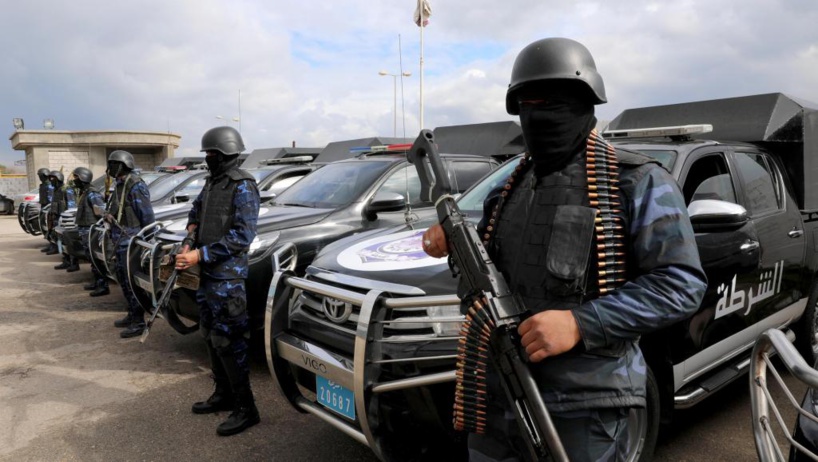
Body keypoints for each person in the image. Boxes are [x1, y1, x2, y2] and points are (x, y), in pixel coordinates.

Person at [422, 37, 708, 462]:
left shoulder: (636, 181)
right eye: (529, 101)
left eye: (557, 101)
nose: (540, 112)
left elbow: (681, 284)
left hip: (587, 407)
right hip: (496, 394)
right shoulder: (509, 186)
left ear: (587, 104)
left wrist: (580, 323)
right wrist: (449, 239)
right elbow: (484, 271)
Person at [174, 126, 261, 436]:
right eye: (206, 154)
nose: (208, 158)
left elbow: (242, 236)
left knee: (231, 342)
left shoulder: (243, 185)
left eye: (212, 154)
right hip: (208, 276)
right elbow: (196, 211)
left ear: (225, 154)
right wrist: (189, 237)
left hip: (227, 278)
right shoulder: (212, 182)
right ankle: (223, 395)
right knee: (210, 334)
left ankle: (246, 408)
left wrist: (200, 255)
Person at [105, 150, 155, 338]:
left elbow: (147, 217)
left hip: (131, 242)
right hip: (119, 240)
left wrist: (146, 243)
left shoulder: (135, 185)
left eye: (113, 164)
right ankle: (132, 314)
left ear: (123, 165)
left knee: (132, 283)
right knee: (123, 281)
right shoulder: (119, 184)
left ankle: (139, 321)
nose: (109, 168)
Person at [72, 167, 110, 296]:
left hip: (91, 231)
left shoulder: (93, 193)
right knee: (91, 259)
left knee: (96, 259)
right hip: (85, 231)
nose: (74, 180)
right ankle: (97, 282)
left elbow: (101, 212)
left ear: (83, 177)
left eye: (76, 177)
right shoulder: (85, 192)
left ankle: (103, 286)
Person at [52, 171, 79, 271]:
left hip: (66, 219)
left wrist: (68, 218)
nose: (51, 180)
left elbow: (71, 205)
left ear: (59, 178)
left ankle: (74, 263)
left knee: (69, 242)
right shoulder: (57, 190)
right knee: (61, 241)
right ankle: (66, 260)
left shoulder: (66, 189)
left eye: (53, 178)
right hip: (58, 218)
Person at [37, 167, 56, 254]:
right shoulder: (43, 185)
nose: (39, 177)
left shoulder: (50, 185)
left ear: (44, 175)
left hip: (48, 209)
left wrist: (49, 209)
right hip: (43, 207)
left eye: (40, 175)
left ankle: (54, 245)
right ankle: (50, 243)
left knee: (51, 227)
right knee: (45, 227)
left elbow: (51, 199)